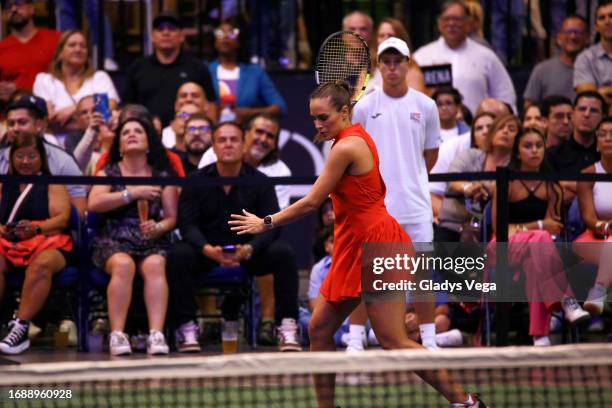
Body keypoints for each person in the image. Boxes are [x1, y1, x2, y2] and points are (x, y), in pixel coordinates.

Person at [229, 81, 485, 408]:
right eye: (313, 119)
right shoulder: (354, 136)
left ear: (345, 112)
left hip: (379, 245)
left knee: (393, 340)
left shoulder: (346, 147)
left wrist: (265, 222)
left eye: (324, 117)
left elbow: (311, 203)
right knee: (320, 328)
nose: (318, 125)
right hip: (355, 244)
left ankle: (466, 402)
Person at [167, 122, 300, 353]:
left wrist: (249, 249)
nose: (228, 144)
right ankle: (186, 327)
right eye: (222, 140)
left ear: (243, 144)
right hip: (207, 253)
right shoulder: (195, 181)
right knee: (178, 255)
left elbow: (272, 225)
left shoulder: (261, 182)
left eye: (234, 139)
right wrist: (207, 248)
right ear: (214, 147)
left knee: (283, 254)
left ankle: (287, 325)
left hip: (248, 254)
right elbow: (187, 225)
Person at [352, 37, 440, 350]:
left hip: (416, 205)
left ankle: (429, 341)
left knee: (421, 275)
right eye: (386, 62)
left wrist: (411, 179)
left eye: (398, 61)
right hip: (376, 208)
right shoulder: (363, 107)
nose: (392, 67)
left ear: (407, 64)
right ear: (380, 67)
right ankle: (355, 341)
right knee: (370, 273)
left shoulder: (426, 106)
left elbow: (430, 156)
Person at [489, 128, 590, 346]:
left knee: (537, 258)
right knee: (541, 238)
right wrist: (539, 225)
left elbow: (555, 231)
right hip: (502, 248)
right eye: (528, 146)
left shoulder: (552, 187)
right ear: (517, 152)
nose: (534, 151)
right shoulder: (507, 182)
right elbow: (501, 230)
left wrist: (531, 229)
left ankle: (540, 337)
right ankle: (566, 301)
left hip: (535, 251)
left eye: (539, 145)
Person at [87, 118, 179, 356]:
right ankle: (118, 334)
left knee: (156, 265)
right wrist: (131, 193)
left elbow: (171, 217)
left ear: (149, 141)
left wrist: (159, 227)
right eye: (126, 132)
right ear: (118, 144)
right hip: (113, 237)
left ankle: (156, 334)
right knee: (123, 265)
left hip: (150, 237)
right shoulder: (108, 172)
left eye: (138, 131)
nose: (131, 134)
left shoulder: (162, 175)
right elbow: (94, 203)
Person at [0, 132, 73, 354]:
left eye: (31, 156)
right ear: (11, 158)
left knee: (41, 264)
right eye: (20, 156)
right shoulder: (4, 184)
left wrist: (36, 228)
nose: (25, 162)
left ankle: (20, 327)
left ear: (41, 158)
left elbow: (62, 219)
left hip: (49, 241)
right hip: (9, 243)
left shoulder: (52, 183)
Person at [413, 0, 516, 114]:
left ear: (468, 23)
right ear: (439, 22)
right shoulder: (421, 57)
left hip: (476, 129)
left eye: (457, 19)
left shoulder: (486, 57)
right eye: (446, 19)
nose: (451, 23)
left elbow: (506, 97)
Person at [122, 12, 217, 126]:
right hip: (147, 133)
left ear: (182, 36)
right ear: (152, 36)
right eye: (160, 29)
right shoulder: (137, 67)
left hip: (187, 132)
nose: (166, 32)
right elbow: (128, 107)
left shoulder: (197, 67)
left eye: (172, 29)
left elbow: (210, 105)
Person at [0, 95, 87, 216]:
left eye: (22, 122)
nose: (15, 128)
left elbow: (79, 211)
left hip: (48, 231)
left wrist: (46, 228)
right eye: (11, 123)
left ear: (39, 125)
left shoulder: (63, 160)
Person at [435, 113, 514, 242]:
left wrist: (486, 188)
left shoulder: (514, 165)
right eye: (501, 128)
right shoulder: (469, 155)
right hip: (453, 224)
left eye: (511, 129)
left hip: (491, 228)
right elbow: (453, 178)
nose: (505, 131)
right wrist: (468, 188)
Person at [33, 30, 119, 143]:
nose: (78, 49)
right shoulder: (44, 80)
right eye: (72, 45)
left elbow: (108, 108)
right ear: (60, 53)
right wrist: (88, 113)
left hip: (95, 142)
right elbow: (49, 119)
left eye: (83, 46)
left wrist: (73, 109)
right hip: (55, 143)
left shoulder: (99, 77)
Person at [208, 20, 287, 123]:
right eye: (220, 33)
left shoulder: (255, 72)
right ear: (215, 41)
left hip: (245, 132)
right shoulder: (206, 71)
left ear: (239, 41)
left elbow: (280, 106)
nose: (226, 37)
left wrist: (252, 113)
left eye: (231, 33)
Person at [574, 116, 612, 315]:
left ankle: (598, 290)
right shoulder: (588, 173)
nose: (608, 138)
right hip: (593, 238)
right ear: (597, 143)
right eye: (602, 134)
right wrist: (606, 227)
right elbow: (588, 217)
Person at [547, 91, 606, 200]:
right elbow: (553, 193)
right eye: (582, 109)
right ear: (572, 115)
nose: (587, 114)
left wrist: (568, 185)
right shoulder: (552, 155)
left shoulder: (607, 156)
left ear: (602, 117)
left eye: (593, 110)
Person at [0, 0, 61, 103]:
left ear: (31, 8)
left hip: (52, 109)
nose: (14, 9)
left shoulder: (57, 40)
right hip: (13, 113)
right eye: (8, 6)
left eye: (18, 3)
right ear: (3, 15)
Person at [523, 15, 590, 108]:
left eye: (578, 32)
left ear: (588, 38)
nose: (573, 36)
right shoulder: (542, 70)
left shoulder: (595, 68)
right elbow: (529, 106)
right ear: (559, 38)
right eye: (568, 32)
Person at [366, 16, 427, 94]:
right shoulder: (369, 66)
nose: (385, 39)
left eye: (390, 35)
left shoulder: (411, 70)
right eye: (381, 36)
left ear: (400, 39)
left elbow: (416, 103)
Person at [574, 2, 612, 105]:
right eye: (602, 18)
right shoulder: (585, 58)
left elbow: (597, 94)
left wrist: (603, 90)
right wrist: (599, 93)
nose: (607, 21)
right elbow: (588, 97)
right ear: (596, 26)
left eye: (611, 16)